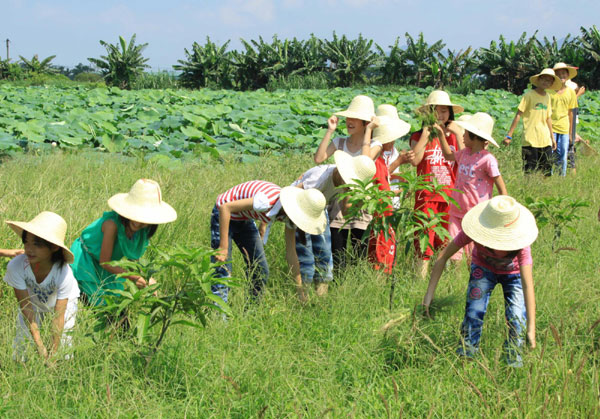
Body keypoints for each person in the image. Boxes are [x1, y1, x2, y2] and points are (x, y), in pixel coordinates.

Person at [422, 195, 538, 367]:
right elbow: (443, 257)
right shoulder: (474, 232)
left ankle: (513, 363)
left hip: (513, 275)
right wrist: (429, 295)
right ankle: (466, 358)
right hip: (483, 269)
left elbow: (528, 286)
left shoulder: (521, 246)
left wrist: (531, 328)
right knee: (473, 314)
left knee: (516, 318)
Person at [212, 180, 327, 303]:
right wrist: (223, 247)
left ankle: (251, 311)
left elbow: (291, 254)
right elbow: (225, 208)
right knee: (223, 270)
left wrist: (300, 291)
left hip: (244, 218)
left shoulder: (289, 218)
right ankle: (219, 317)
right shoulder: (266, 201)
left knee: (261, 270)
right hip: (223, 215)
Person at [70, 179, 177, 306]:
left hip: (107, 266)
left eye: (143, 218)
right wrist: (134, 277)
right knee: (99, 305)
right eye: (135, 214)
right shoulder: (112, 225)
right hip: (87, 262)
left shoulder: (142, 231)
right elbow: (105, 262)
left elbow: (133, 258)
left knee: (116, 304)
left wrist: (146, 279)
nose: (138, 222)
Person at [288, 151, 376, 298]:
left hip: (319, 209)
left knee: (325, 259)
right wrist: (267, 221)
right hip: (300, 209)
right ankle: (302, 299)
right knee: (306, 260)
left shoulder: (344, 183)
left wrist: (359, 198)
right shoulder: (320, 177)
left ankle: (321, 303)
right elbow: (293, 193)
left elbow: (346, 213)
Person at [313, 95, 381, 269]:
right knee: (338, 255)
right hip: (338, 202)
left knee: (359, 254)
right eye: (348, 118)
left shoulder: (376, 144)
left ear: (366, 122)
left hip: (362, 202)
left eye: (355, 119)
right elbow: (319, 158)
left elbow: (364, 161)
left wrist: (369, 131)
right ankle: (338, 287)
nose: (349, 122)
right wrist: (330, 131)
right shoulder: (339, 142)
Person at [3, 212, 80, 363]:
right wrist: (40, 346)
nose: (29, 249)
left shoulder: (63, 273)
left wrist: (52, 353)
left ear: (54, 247)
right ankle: (22, 368)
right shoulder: (17, 266)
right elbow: (26, 307)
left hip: (62, 303)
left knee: (64, 344)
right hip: (33, 302)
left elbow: (59, 316)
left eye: (37, 244)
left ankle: (60, 371)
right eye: (26, 242)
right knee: (23, 342)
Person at [434, 112, 507, 263]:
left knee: (473, 255)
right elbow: (448, 155)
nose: (462, 136)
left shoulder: (488, 159)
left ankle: (472, 277)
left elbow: (499, 183)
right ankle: (454, 279)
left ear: (474, 136)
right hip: (456, 211)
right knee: (453, 251)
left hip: (475, 214)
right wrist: (441, 135)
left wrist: (503, 205)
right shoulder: (464, 154)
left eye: (465, 133)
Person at [409, 90, 463, 279]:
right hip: (427, 195)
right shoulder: (418, 136)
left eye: (444, 111)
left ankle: (451, 279)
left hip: (449, 196)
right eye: (436, 112)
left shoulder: (455, 137)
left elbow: (466, 160)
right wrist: (426, 133)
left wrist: (458, 132)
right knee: (425, 237)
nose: (440, 116)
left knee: (448, 239)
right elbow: (415, 160)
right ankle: (420, 278)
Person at [505, 68, 561, 176]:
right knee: (529, 170)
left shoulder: (548, 97)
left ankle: (544, 191)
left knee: (547, 170)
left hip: (545, 139)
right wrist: (509, 135)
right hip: (530, 138)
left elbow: (548, 118)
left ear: (551, 84)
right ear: (538, 80)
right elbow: (518, 115)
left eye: (549, 80)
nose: (545, 82)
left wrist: (552, 137)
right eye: (543, 79)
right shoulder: (529, 95)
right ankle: (529, 189)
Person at [549, 63, 579, 177]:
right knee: (550, 153)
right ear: (555, 75)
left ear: (567, 75)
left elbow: (571, 112)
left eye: (563, 73)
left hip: (564, 127)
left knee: (563, 153)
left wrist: (571, 132)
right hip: (550, 127)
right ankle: (549, 176)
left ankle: (562, 177)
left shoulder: (570, 92)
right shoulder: (549, 91)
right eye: (558, 73)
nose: (561, 75)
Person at [565, 77, 586, 175]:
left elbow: (573, 122)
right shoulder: (569, 104)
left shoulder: (574, 105)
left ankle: (572, 177)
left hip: (569, 134)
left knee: (571, 156)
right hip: (563, 132)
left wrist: (575, 135)